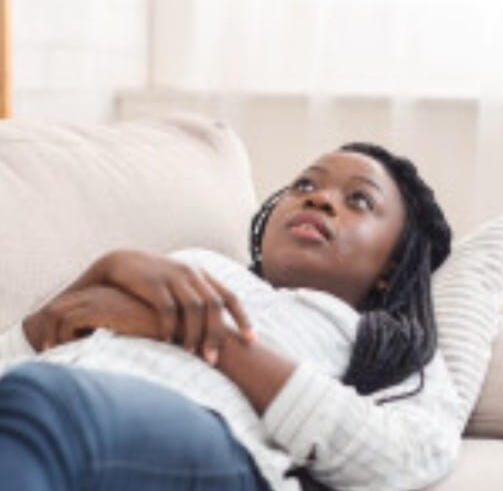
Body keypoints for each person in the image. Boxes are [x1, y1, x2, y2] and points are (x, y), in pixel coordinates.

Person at [0, 143, 464, 491]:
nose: (319, 199)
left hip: (213, 445)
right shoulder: (196, 264)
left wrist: (213, 340)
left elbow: (413, 454)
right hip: (44, 402)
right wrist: (96, 278)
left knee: (42, 404)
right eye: (305, 185)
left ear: (393, 266)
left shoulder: (386, 341)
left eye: (359, 200)